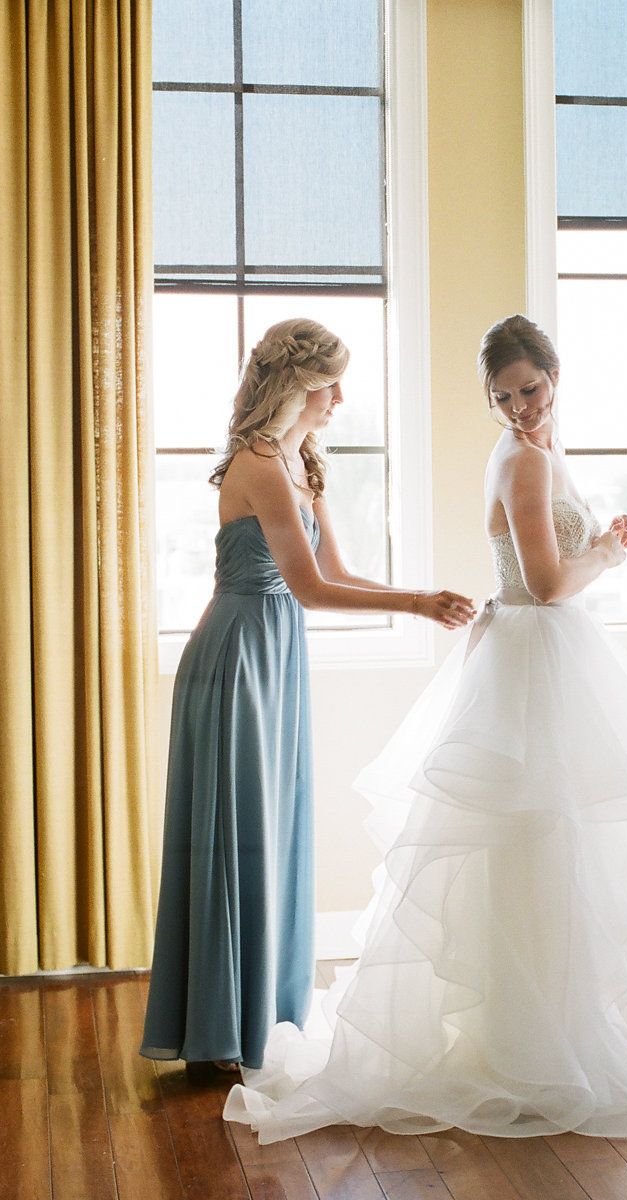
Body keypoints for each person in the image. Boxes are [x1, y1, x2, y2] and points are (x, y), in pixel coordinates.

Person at [223, 314, 627, 1139]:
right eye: (503, 395)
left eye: (531, 388)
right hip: (534, 655)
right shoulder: (522, 457)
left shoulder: (545, 451)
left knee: (560, 848)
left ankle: (550, 1027)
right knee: (531, 839)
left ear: (555, 376)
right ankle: (527, 1040)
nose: (521, 406)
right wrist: (607, 555)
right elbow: (549, 585)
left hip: (543, 658)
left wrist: (596, 544)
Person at [140, 318, 475, 1073]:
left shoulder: (300, 461)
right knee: (236, 831)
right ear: (296, 384)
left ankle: (263, 1013)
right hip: (237, 658)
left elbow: (341, 571)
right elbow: (309, 587)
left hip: (275, 657)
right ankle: (219, 1027)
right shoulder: (258, 464)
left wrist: (419, 595)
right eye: (330, 384)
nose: (340, 399)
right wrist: (419, 604)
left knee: (272, 827)